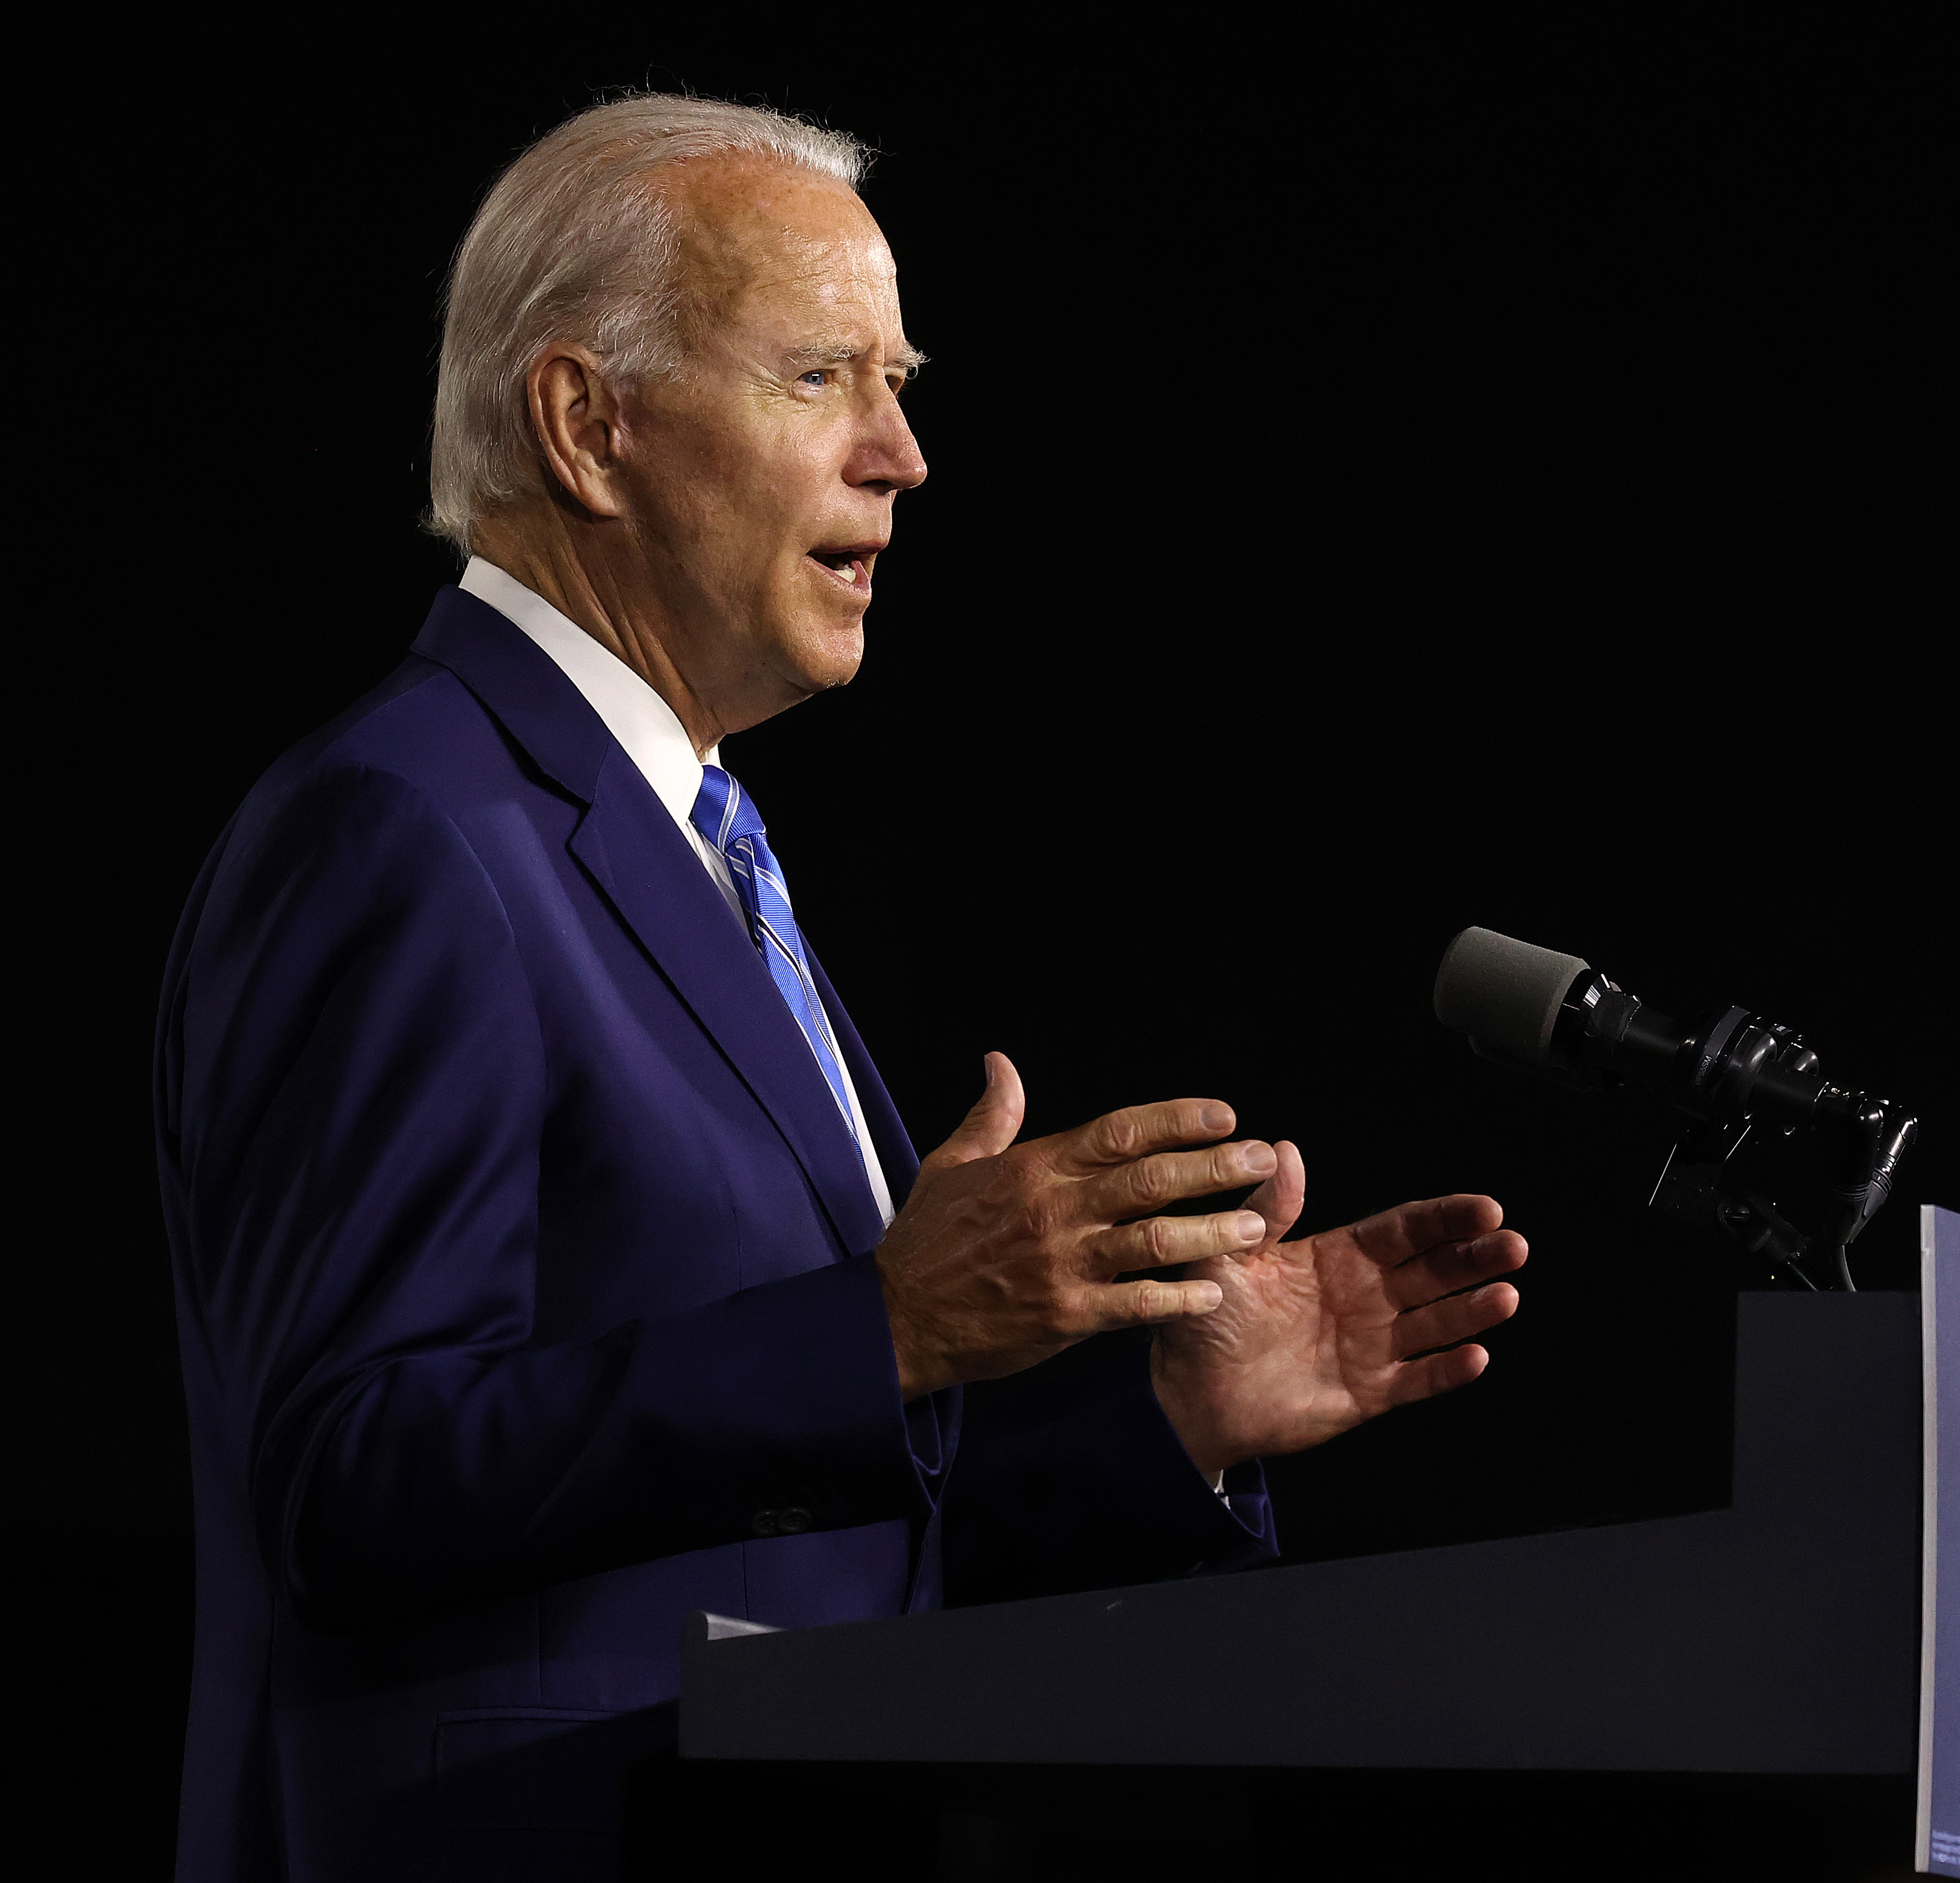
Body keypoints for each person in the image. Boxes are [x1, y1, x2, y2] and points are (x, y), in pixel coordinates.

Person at [154, 94, 1528, 1882]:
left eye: (899, 382)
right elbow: (344, 1478)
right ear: (589, 424)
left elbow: (811, 1531)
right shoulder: (407, 826)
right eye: (823, 376)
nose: (902, 454)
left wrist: (1161, 1419)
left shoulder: (698, 844)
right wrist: (885, 1323)